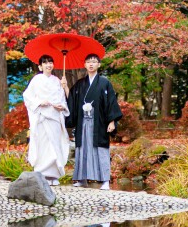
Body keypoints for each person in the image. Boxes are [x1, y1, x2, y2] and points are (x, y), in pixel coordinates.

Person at [63, 54, 122, 190]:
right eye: (88, 62)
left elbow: (111, 103)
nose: (91, 64)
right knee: (82, 149)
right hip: (82, 122)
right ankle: (82, 179)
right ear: (84, 65)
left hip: (99, 122)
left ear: (99, 65)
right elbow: (72, 99)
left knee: (100, 149)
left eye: (94, 62)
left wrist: (112, 121)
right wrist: (66, 88)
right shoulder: (79, 84)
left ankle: (105, 180)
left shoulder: (104, 83)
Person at [23, 55, 71, 186]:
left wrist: (62, 105)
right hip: (42, 117)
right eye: (45, 63)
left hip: (54, 116)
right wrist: (39, 102)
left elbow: (61, 98)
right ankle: (41, 173)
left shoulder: (57, 81)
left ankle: (54, 175)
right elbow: (27, 96)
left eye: (50, 62)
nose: (48, 65)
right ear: (40, 66)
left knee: (54, 145)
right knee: (43, 144)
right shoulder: (36, 80)